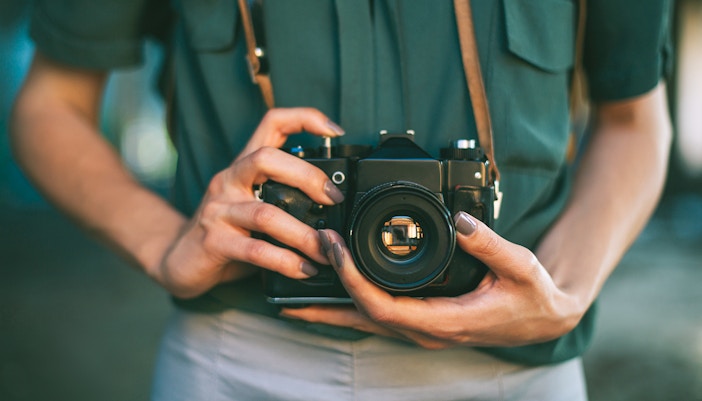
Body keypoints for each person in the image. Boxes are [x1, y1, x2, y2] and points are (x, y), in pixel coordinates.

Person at [11, 0, 672, 400]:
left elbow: (633, 120)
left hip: (513, 374)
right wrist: (160, 243)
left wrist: (565, 293)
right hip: (238, 357)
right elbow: (51, 103)